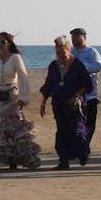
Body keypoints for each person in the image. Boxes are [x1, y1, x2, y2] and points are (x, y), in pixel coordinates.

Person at [0, 32, 41, 170]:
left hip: (12, 97)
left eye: (3, 42)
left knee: (13, 129)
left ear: (9, 43)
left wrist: (23, 98)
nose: (0, 45)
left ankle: (15, 160)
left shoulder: (16, 58)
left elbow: (23, 77)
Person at [38, 36, 94, 170]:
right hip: (58, 103)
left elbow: (87, 84)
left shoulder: (77, 64)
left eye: (62, 51)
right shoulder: (53, 65)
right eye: (57, 52)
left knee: (77, 131)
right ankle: (63, 160)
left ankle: (82, 153)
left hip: (74, 104)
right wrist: (43, 103)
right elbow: (48, 85)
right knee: (62, 131)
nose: (60, 55)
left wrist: (76, 95)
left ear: (68, 50)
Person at [70, 28, 101, 135]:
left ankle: (85, 146)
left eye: (76, 36)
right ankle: (78, 147)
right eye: (72, 37)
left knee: (89, 124)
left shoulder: (92, 52)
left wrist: (79, 67)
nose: (74, 39)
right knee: (74, 124)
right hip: (73, 95)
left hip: (90, 96)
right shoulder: (69, 52)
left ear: (84, 37)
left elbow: (97, 66)